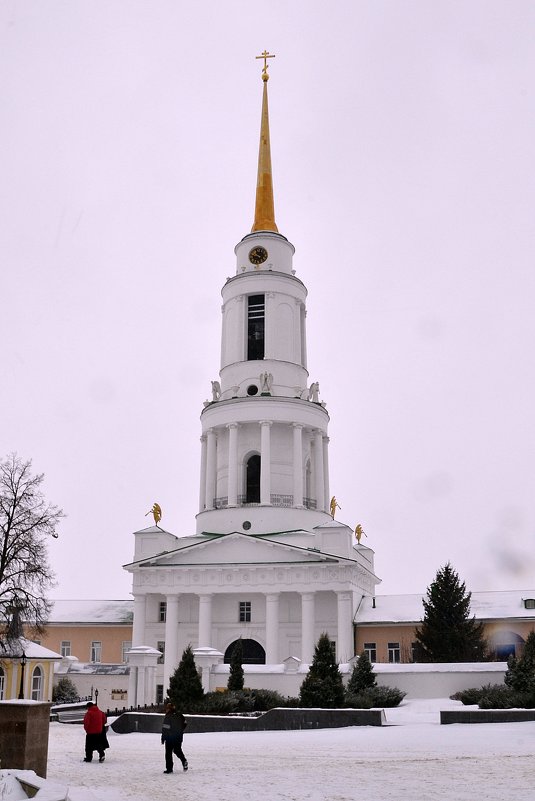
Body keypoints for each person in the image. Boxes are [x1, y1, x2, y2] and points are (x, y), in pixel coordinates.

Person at [161, 702, 188, 774]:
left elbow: (165, 728)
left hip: (170, 737)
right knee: (177, 750)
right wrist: (180, 730)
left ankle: (169, 769)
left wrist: (163, 737)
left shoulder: (168, 716)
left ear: (168, 709)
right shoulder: (180, 715)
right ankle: (184, 761)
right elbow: (185, 723)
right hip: (178, 737)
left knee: (168, 753)